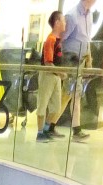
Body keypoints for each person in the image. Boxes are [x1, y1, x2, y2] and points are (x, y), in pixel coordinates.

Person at [59, 0, 96, 142]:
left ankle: (74, 129)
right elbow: (61, 40)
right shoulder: (72, 15)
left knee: (74, 94)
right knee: (68, 94)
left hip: (81, 60)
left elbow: (87, 39)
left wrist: (89, 59)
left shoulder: (89, 15)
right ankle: (49, 125)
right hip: (71, 60)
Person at [36, 11, 66, 142]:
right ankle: (40, 132)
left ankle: (47, 128)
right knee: (43, 104)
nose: (65, 23)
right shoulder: (50, 40)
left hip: (55, 76)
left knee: (56, 107)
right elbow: (48, 62)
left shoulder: (57, 41)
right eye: (63, 20)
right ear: (57, 22)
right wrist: (60, 73)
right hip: (48, 75)